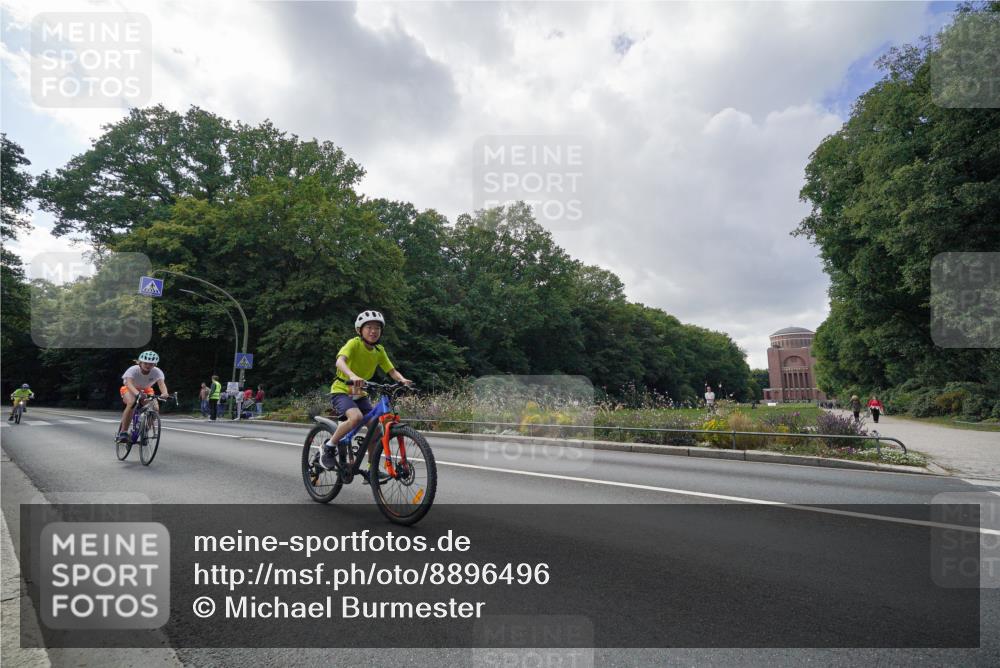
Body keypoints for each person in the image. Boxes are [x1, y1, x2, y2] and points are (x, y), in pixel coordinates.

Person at [319, 310, 412, 473]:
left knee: (376, 428)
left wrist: (402, 380)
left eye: (377, 328)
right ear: (360, 330)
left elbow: (391, 371)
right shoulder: (354, 344)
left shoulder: (379, 351)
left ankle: (372, 469)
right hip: (342, 390)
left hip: (360, 393)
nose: (373, 331)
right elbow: (339, 361)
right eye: (369, 327)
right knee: (356, 417)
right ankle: (329, 447)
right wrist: (352, 375)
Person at [116, 351, 169, 444]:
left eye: (151, 364)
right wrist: (137, 393)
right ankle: (123, 432)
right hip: (130, 388)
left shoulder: (157, 371)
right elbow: (128, 383)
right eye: (145, 363)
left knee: (155, 407)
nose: (148, 365)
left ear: (155, 364)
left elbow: (161, 384)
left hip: (146, 390)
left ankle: (144, 431)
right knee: (132, 402)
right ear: (140, 362)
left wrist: (165, 393)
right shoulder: (133, 369)